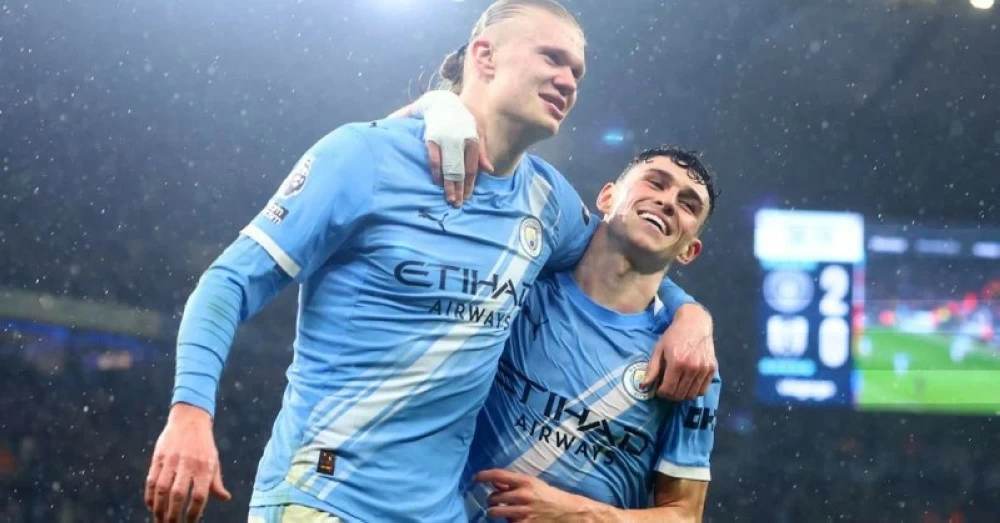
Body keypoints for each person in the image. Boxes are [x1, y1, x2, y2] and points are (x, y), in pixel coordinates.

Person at [143, 1, 716, 522]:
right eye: (552, 58)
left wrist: (692, 317)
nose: (568, 80)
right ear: (484, 56)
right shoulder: (366, 155)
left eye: (577, 72)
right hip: (324, 497)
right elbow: (228, 282)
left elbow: (627, 255)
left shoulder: (550, 204)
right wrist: (190, 412)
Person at [463, 146, 720, 522]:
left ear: (689, 251)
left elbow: (685, 515)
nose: (667, 202)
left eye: (688, 205)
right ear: (607, 197)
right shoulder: (522, 280)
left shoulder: (687, 359)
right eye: (655, 183)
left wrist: (578, 514)